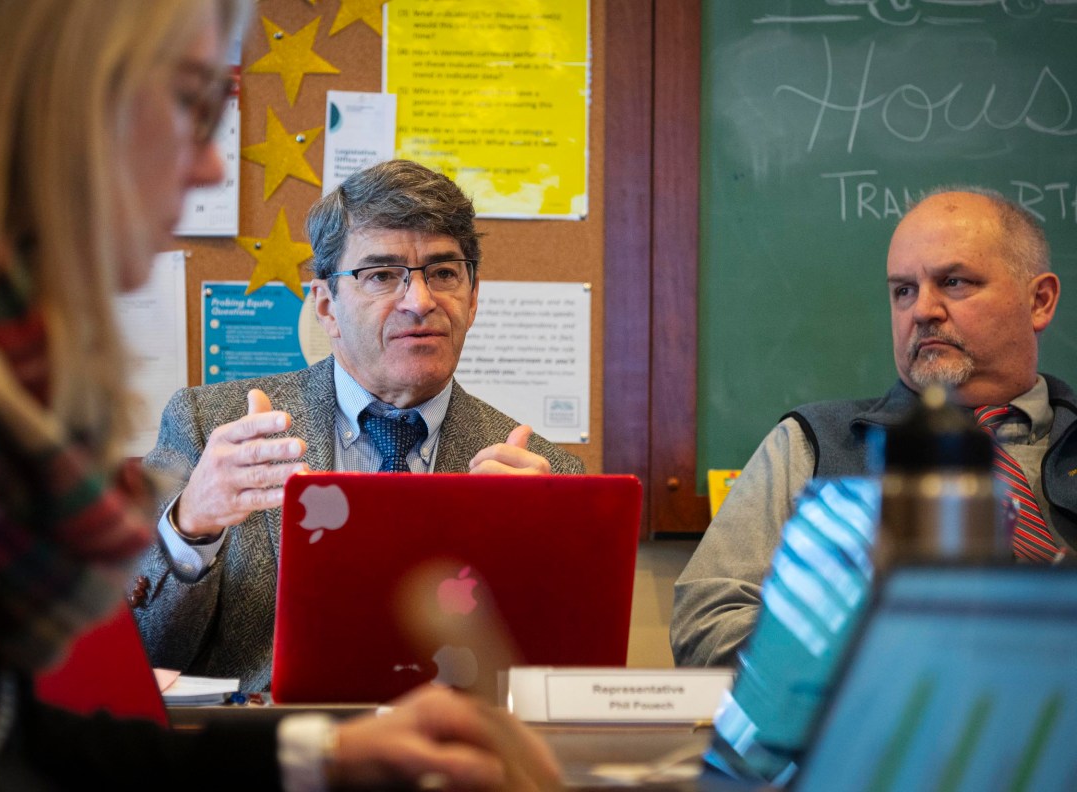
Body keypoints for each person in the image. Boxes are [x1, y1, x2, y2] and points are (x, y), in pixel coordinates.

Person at [0, 1, 561, 789]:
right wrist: (189, 524)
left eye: (443, 272)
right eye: (192, 105)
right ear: (53, 103)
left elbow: (7, 730)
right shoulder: (180, 418)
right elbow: (99, 680)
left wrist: (323, 759)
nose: (211, 168)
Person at [132, 159, 585, 691]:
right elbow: (137, 651)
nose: (419, 302)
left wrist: (541, 560)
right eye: (381, 275)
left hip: (451, 759)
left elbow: (563, 685)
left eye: (443, 273)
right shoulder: (209, 426)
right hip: (267, 755)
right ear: (326, 305)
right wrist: (192, 524)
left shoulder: (545, 474)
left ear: (473, 298)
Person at [670, 187, 1076, 667]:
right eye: (904, 290)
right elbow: (707, 623)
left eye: (954, 282)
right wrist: (871, 643)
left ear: (1040, 301)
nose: (922, 310)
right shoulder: (812, 445)